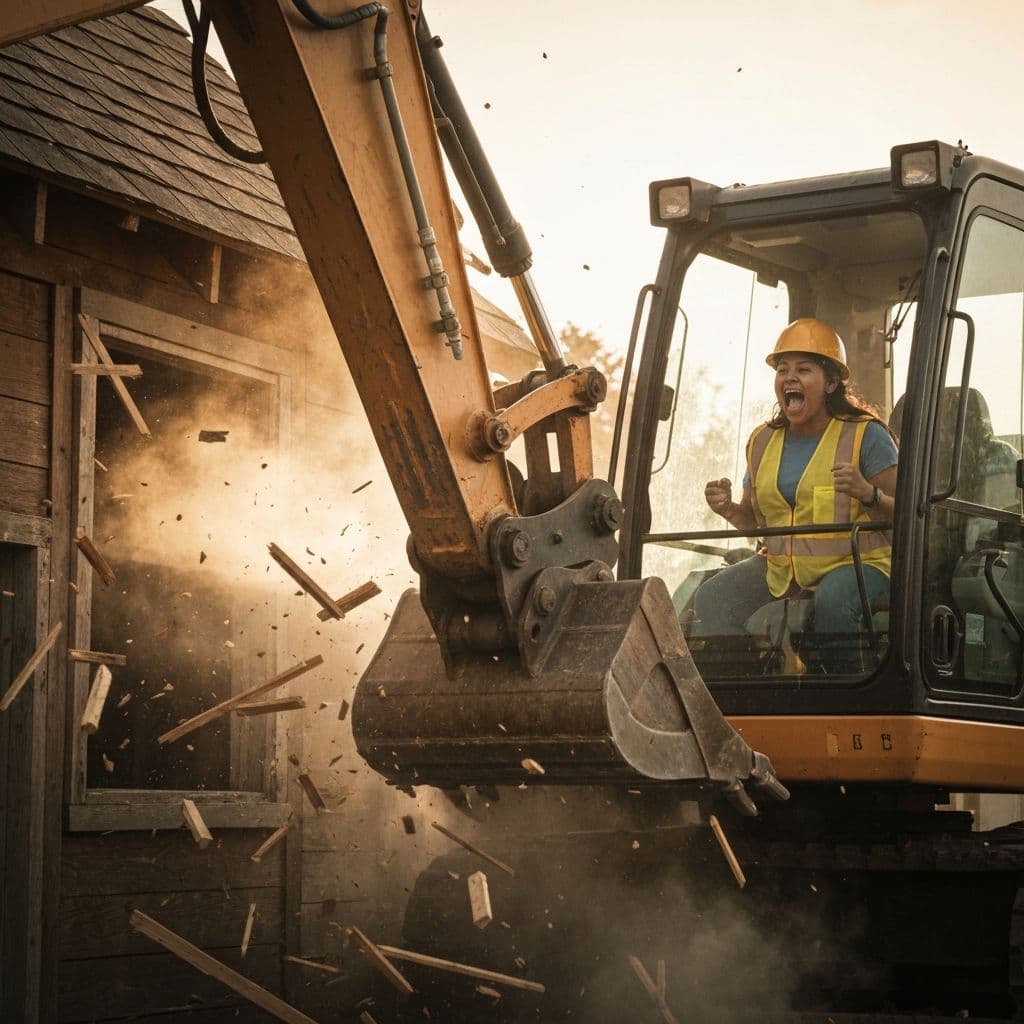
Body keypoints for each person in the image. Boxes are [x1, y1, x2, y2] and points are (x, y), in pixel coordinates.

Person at [691, 318, 898, 674]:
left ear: (831, 383)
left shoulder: (867, 436)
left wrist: (868, 494)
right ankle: (741, 692)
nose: (790, 378)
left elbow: (907, 519)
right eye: (782, 369)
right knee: (713, 596)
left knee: (834, 599)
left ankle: (847, 692)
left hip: (863, 567)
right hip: (781, 570)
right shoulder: (762, 442)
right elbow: (757, 527)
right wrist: (729, 510)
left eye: (803, 370)